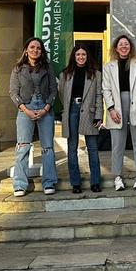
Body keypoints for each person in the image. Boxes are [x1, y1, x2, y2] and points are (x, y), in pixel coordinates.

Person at [9, 37, 58, 197]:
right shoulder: (18, 68)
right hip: (25, 109)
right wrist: (25, 109)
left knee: (47, 148)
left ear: (41, 51)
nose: (35, 50)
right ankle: (20, 184)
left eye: (38, 48)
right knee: (23, 146)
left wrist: (46, 108)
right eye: (32, 47)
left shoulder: (47, 67)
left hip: (45, 108)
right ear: (26, 49)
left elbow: (53, 90)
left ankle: (49, 182)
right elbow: (13, 92)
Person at [103, 34, 136, 191]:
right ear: (116, 48)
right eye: (120, 44)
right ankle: (117, 177)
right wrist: (110, 109)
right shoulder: (108, 66)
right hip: (116, 107)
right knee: (117, 144)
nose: (124, 46)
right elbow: (106, 89)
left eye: (126, 44)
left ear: (130, 47)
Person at [59, 44, 104, 194]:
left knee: (92, 148)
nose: (81, 57)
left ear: (87, 56)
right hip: (72, 110)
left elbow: (99, 95)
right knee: (72, 148)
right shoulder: (65, 74)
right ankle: (75, 183)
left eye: (83, 54)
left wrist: (99, 115)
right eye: (78, 54)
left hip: (89, 113)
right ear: (74, 56)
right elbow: (61, 94)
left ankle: (95, 182)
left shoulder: (95, 74)